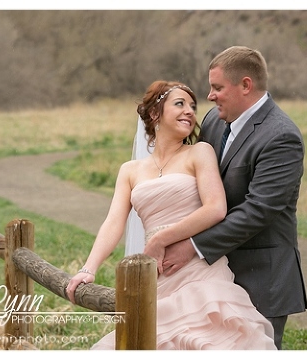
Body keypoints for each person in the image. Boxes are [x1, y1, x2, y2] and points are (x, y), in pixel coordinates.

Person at [65, 80, 277, 350]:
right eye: (180, 104)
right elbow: (114, 222)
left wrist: (161, 239)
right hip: (157, 275)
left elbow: (215, 208)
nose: (189, 111)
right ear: (155, 113)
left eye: (193, 106)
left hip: (199, 272)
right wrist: (88, 268)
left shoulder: (199, 153)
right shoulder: (130, 170)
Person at [160, 45, 307, 349]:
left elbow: (258, 210)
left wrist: (192, 246)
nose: (210, 96)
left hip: (261, 275)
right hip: (209, 276)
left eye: (217, 88)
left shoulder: (281, 136)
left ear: (245, 85)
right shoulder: (214, 123)